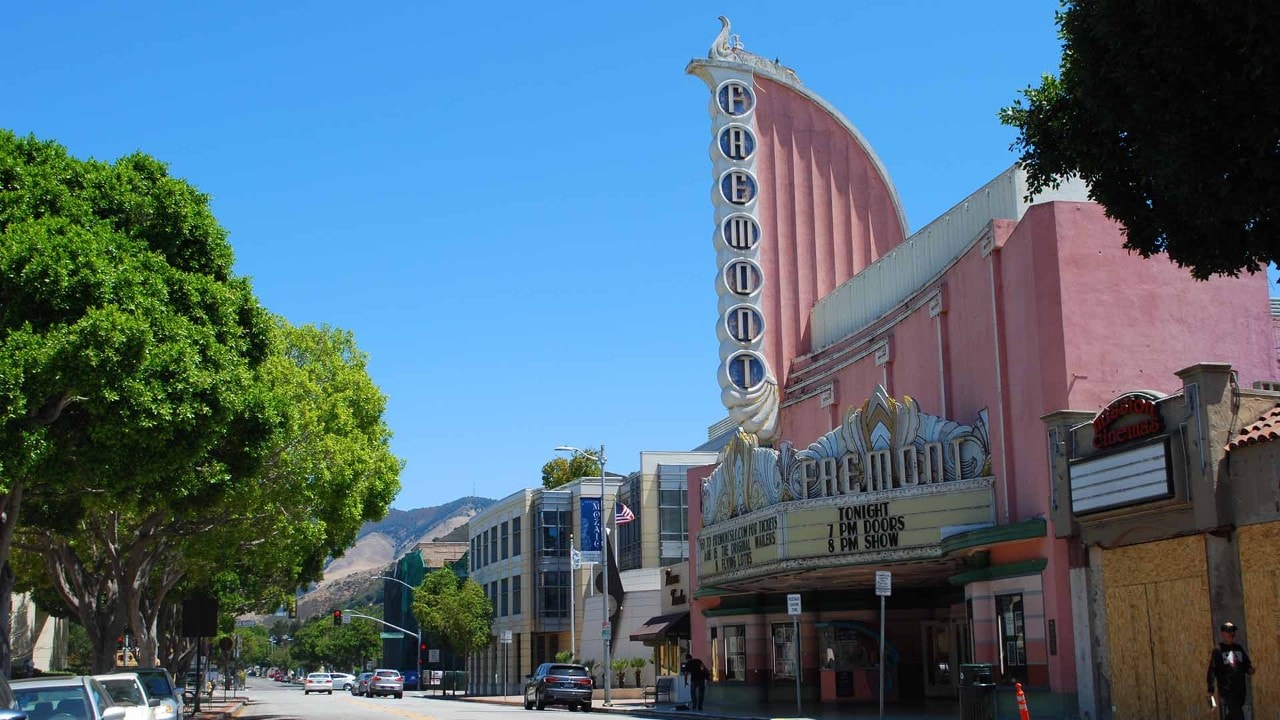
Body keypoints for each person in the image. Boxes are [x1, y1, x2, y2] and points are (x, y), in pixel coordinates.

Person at [1207, 620, 1255, 720]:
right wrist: (1210, 689)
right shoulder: (1218, 650)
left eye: (1233, 631)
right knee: (1239, 716)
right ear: (1223, 633)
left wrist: (1250, 669)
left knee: (1234, 714)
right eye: (1229, 631)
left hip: (1240, 688)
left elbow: (1246, 663)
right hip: (1227, 690)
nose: (1231, 633)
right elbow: (1212, 669)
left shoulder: (1239, 648)